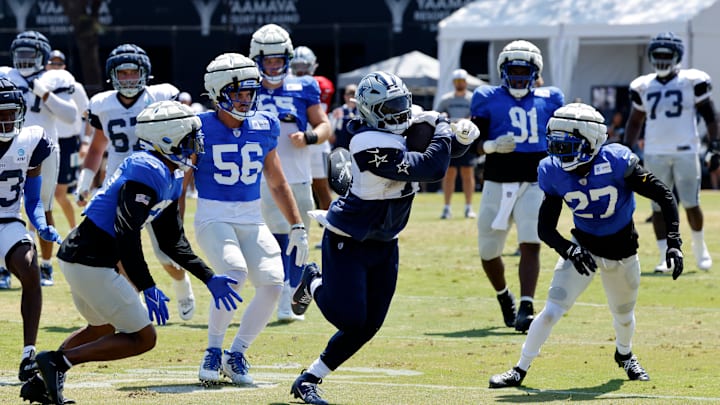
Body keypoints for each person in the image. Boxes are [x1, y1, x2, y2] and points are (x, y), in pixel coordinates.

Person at [20, 100, 243, 405]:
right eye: (190, 138)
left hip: (84, 259)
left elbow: (171, 241)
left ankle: (40, 380)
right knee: (143, 338)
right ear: (167, 138)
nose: (196, 145)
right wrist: (148, 285)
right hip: (90, 261)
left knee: (102, 328)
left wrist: (208, 277)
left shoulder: (170, 174)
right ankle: (57, 364)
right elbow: (127, 234)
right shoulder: (147, 169)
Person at [287, 71, 480, 405]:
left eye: (402, 102)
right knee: (349, 318)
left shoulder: (411, 121)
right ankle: (312, 280)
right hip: (350, 237)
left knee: (369, 325)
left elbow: (444, 154)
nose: (400, 111)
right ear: (371, 110)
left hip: (386, 239)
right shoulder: (366, 140)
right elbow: (431, 167)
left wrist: (462, 139)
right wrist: (446, 130)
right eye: (390, 105)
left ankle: (309, 379)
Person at [488, 103, 684, 389]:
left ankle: (625, 354)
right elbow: (545, 228)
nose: (558, 154)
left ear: (591, 142)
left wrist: (674, 243)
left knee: (624, 317)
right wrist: (570, 250)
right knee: (552, 309)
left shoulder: (617, 161)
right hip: (583, 247)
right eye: (556, 146)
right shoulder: (552, 171)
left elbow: (664, 195)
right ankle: (519, 369)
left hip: (622, 251)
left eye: (567, 147)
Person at [192, 52, 310, 386]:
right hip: (213, 217)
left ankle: (236, 353)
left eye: (249, 93)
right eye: (239, 93)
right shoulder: (198, 126)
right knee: (234, 272)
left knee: (273, 284)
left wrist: (297, 225)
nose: (246, 100)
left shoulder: (264, 125)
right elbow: (182, 180)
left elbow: (276, 180)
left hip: (251, 216)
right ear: (218, 92)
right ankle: (213, 350)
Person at [76, 43, 197, 321]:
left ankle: (180, 284)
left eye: (134, 73)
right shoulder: (102, 104)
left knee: (166, 253)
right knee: (118, 251)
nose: (129, 78)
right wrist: (85, 183)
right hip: (120, 184)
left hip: (156, 182)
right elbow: (97, 148)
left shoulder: (161, 96)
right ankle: (134, 303)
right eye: (124, 73)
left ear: (145, 73)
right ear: (113, 75)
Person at [471, 40, 564, 333]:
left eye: (526, 71)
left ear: (536, 72)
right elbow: (473, 147)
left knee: (530, 242)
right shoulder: (486, 96)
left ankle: (526, 305)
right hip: (497, 181)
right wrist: (491, 145)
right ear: (503, 71)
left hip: (536, 181)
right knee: (488, 251)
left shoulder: (551, 98)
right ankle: (504, 296)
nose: (520, 76)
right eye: (515, 70)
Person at [249, 24, 332, 322]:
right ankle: (280, 293)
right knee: (274, 238)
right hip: (261, 177)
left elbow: (324, 126)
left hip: (298, 174)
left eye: (278, 60)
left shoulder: (305, 86)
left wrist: (309, 138)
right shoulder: (247, 86)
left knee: (299, 239)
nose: (273, 66)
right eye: (267, 61)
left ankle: (290, 291)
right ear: (257, 60)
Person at [624, 32, 715, 273]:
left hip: (686, 150)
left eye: (667, 55)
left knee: (691, 203)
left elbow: (709, 114)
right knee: (657, 206)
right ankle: (666, 256)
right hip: (655, 152)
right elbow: (635, 121)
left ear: (677, 56)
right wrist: (626, 150)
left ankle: (699, 246)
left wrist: (715, 145)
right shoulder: (643, 85)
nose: (662, 59)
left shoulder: (691, 81)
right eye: (658, 55)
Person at [0, 31, 78, 287]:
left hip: (43, 148)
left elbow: (70, 116)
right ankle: (5, 265)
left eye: (29, 54)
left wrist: (45, 94)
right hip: (7, 146)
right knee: (6, 208)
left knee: (43, 206)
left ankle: (45, 265)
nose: (23, 60)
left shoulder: (55, 78)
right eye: (19, 54)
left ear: (43, 56)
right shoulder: (5, 75)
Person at [0, 78, 61, 384]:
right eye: (1, 113)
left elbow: (34, 199)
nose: (7, 119)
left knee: (30, 269)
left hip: (9, 221)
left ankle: (28, 355)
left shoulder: (31, 141)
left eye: (11, 112)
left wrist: (41, 225)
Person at [46, 49, 90, 233]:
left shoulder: (74, 86)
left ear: (64, 66)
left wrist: (86, 141)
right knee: (41, 195)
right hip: (45, 141)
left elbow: (87, 114)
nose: (55, 67)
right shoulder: (40, 84)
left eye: (59, 64)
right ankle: (34, 235)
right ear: (46, 65)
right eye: (52, 63)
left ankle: (74, 230)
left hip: (67, 142)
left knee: (59, 194)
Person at [291, 46, 335, 215]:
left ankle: (331, 231)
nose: (301, 71)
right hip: (294, 140)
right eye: (297, 66)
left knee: (321, 187)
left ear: (312, 66)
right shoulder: (285, 84)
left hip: (316, 140)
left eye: (304, 66)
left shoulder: (320, 84)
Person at [437, 68, 476, 219]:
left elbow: (476, 115)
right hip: (451, 139)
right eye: (457, 81)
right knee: (449, 174)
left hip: (467, 139)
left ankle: (468, 207)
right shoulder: (446, 99)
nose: (459, 84)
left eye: (462, 81)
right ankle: (447, 207)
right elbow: (439, 114)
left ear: (466, 82)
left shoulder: (472, 99)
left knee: (467, 173)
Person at [330, 84, 358, 151]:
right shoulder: (337, 111)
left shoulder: (363, 111)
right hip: (341, 151)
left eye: (354, 93)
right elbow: (331, 135)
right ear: (344, 96)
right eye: (349, 93)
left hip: (357, 149)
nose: (351, 96)